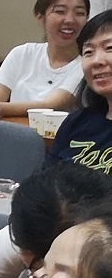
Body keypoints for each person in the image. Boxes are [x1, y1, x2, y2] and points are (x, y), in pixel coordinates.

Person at [48, 10, 112, 172]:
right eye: (88, 52)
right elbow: (44, 182)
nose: (97, 61)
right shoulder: (77, 122)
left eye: (109, 48)